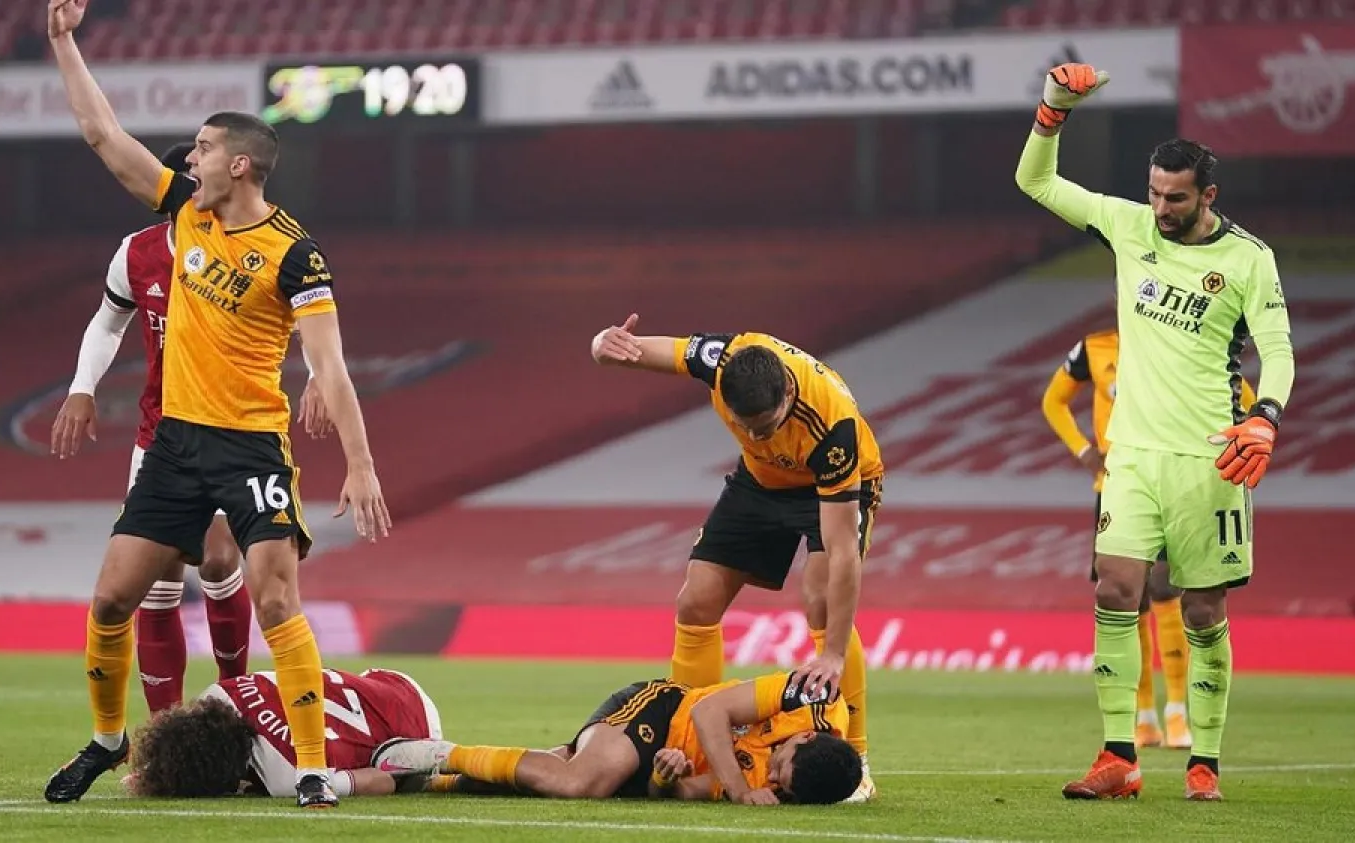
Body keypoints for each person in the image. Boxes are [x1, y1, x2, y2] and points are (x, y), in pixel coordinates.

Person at [43, 0, 392, 809]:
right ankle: (108, 737)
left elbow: (331, 367)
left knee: (276, 600)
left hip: (250, 447)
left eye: (201, 148)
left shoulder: (295, 254)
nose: (188, 158)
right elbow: (103, 136)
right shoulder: (184, 212)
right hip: (174, 445)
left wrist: (362, 463)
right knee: (112, 598)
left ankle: (313, 766)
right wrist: (63, 42)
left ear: (238, 165)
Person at [1018, 63, 1294, 801]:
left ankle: (1204, 760)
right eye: (1154, 193)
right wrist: (1052, 110)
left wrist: (1265, 415)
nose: (1161, 208)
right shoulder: (1129, 225)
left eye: (1176, 197)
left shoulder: (1248, 259)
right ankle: (1120, 755)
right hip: (1131, 456)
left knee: (1203, 609)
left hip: (1210, 459)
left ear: (1208, 196)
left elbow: (1279, 350)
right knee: (1115, 589)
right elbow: (1035, 182)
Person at [48, 141, 336, 716]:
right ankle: (166, 731)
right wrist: (82, 387)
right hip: (160, 437)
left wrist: (319, 377)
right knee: (156, 587)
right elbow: (107, 323)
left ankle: (234, 700)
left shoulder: (247, 252)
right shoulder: (137, 254)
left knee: (219, 562)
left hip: (233, 431)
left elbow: (301, 317)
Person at [589, 318, 882, 801]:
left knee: (820, 599)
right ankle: (683, 740)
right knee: (696, 600)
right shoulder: (721, 359)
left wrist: (831, 654)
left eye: (764, 426)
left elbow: (844, 554)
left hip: (830, 488)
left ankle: (857, 758)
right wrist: (605, 345)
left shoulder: (834, 429)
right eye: (743, 425)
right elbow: (635, 348)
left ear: (789, 393)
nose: (753, 433)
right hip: (761, 482)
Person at [1043, 328, 1256, 750]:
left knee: (1165, 588)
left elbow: (1244, 398)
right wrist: (1083, 451)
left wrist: (1215, 448)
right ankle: (1144, 718)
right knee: (1127, 597)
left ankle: (1177, 712)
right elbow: (1053, 401)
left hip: (1170, 481)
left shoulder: (1180, 338)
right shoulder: (1094, 348)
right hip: (1117, 483)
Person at [371, 671, 861, 805]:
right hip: (662, 712)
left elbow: (677, 792)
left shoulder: (782, 789)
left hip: (662, 758)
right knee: (579, 783)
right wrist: (738, 789)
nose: (771, 775)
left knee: (549, 779)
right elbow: (710, 710)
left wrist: (666, 778)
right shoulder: (810, 696)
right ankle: (440, 753)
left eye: (780, 785)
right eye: (780, 763)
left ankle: (433, 781)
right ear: (804, 737)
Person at [122, 666, 443, 799]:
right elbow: (188, 742)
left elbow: (381, 781)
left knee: (387, 764)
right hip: (390, 681)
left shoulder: (287, 776)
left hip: (419, 728)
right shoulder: (220, 693)